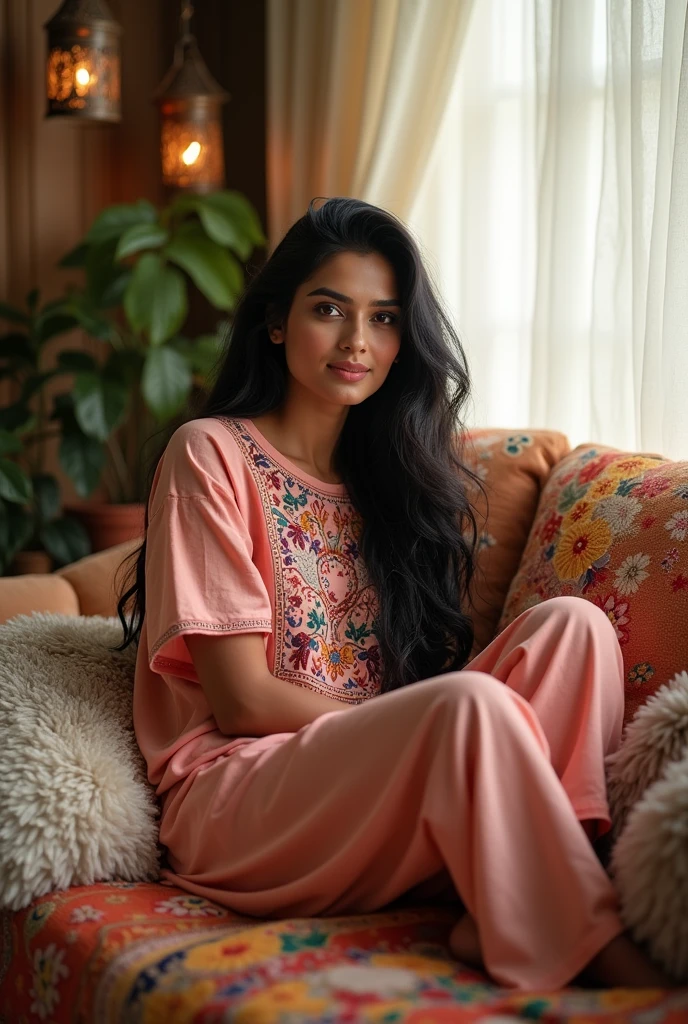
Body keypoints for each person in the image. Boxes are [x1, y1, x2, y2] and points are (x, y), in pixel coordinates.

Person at [117, 196, 673, 992]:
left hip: (361, 792)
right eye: (329, 310)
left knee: (573, 628)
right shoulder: (209, 455)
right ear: (276, 322)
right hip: (237, 801)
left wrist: (421, 723)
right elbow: (240, 701)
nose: (357, 342)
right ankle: (593, 943)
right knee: (466, 708)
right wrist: (420, 724)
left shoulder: (392, 483)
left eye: (382, 319)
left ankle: (520, 893)